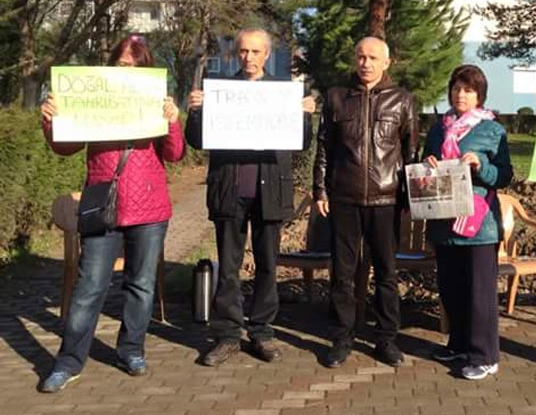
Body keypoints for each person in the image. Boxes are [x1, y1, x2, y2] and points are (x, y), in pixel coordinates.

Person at [39, 35, 185, 392]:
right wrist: (51, 121)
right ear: (111, 67)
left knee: (141, 284)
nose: (128, 70)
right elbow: (65, 146)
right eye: (122, 64)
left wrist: (173, 120)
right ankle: (69, 360)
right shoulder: (94, 100)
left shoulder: (156, 102)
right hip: (103, 204)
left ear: (146, 69)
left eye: (135, 65)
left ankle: (131, 350)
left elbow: (175, 153)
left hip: (150, 207)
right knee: (89, 287)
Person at [185, 28, 315, 367]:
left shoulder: (283, 92)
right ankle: (227, 335)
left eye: (256, 52)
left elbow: (300, 142)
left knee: (268, 266)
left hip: (269, 191)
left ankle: (262, 332)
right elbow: (197, 141)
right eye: (243, 51)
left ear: (267, 55)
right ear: (235, 54)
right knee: (228, 268)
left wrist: (304, 115)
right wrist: (196, 111)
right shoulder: (221, 91)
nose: (249, 58)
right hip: (230, 190)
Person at [313, 36, 418, 368]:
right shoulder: (336, 98)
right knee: (342, 274)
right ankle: (342, 338)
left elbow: (411, 153)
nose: (366, 63)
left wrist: (409, 200)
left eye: (373, 57)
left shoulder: (402, 101)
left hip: (387, 201)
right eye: (361, 56)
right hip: (343, 199)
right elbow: (324, 149)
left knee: (387, 273)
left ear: (387, 62)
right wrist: (320, 190)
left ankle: (386, 339)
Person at [422, 65, 512, 380]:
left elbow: (504, 175)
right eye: (457, 88)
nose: (461, 95)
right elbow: (424, 166)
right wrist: (427, 164)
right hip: (444, 220)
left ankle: (484, 354)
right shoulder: (437, 129)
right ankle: (458, 343)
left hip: (479, 224)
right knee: (451, 288)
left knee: (480, 293)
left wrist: (481, 165)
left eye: (469, 90)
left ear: (479, 96)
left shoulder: (492, 130)